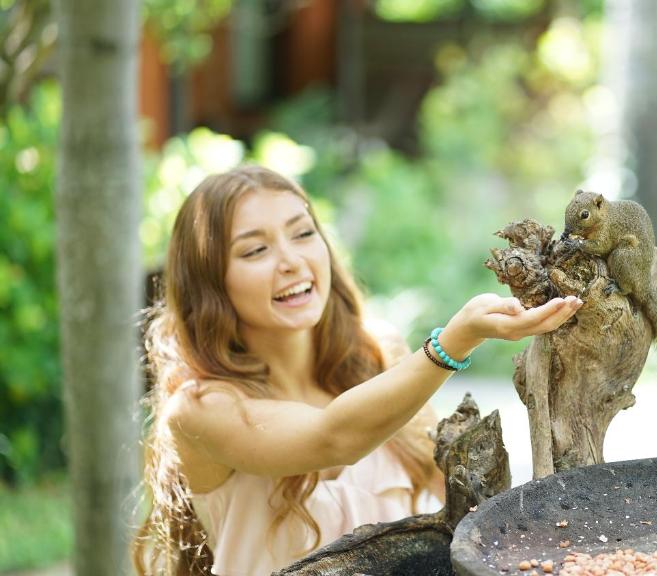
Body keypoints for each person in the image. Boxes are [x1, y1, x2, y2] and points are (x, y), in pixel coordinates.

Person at [131, 165, 583, 575]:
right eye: (255, 250)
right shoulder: (199, 409)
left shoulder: (376, 354)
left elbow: (458, 490)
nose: (291, 260)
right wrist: (454, 342)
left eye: (302, 233)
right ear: (211, 284)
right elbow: (334, 439)